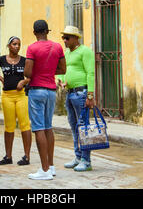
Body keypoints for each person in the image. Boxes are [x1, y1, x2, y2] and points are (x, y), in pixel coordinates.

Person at [24, 20, 66, 180]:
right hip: (51, 90)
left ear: (35, 32)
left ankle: (44, 170)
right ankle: (51, 166)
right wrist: (48, 71)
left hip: (37, 90)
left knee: (38, 128)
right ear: (47, 31)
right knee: (48, 127)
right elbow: (63, 68)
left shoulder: (32, 48)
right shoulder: (57, 47)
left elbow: (28, 73)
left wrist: (37, 71)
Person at [58, 26, 95, 172]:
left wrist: (90, 96)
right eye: (63, 38)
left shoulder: (85, 51)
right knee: (74, 126)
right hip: (70, 93)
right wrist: (61, 80)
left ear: (75, 38)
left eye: (67, 38)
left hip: (81, 93)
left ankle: (86, 160)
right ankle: (78, 157)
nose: (64, 40)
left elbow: (90, 73)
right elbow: (61, 70)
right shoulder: (67, 52)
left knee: (84, 127)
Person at [0, 36, 32, 166]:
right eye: (14, 44)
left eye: (18, 44)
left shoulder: (24, 61)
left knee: (25, 125)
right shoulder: (1, 60)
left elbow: (32, 76)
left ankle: (27, 156)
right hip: (7, 96)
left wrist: (24, 81)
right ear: (9, 46)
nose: (17, 47)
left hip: (21, 96)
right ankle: (8, 156)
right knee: (9, 126)